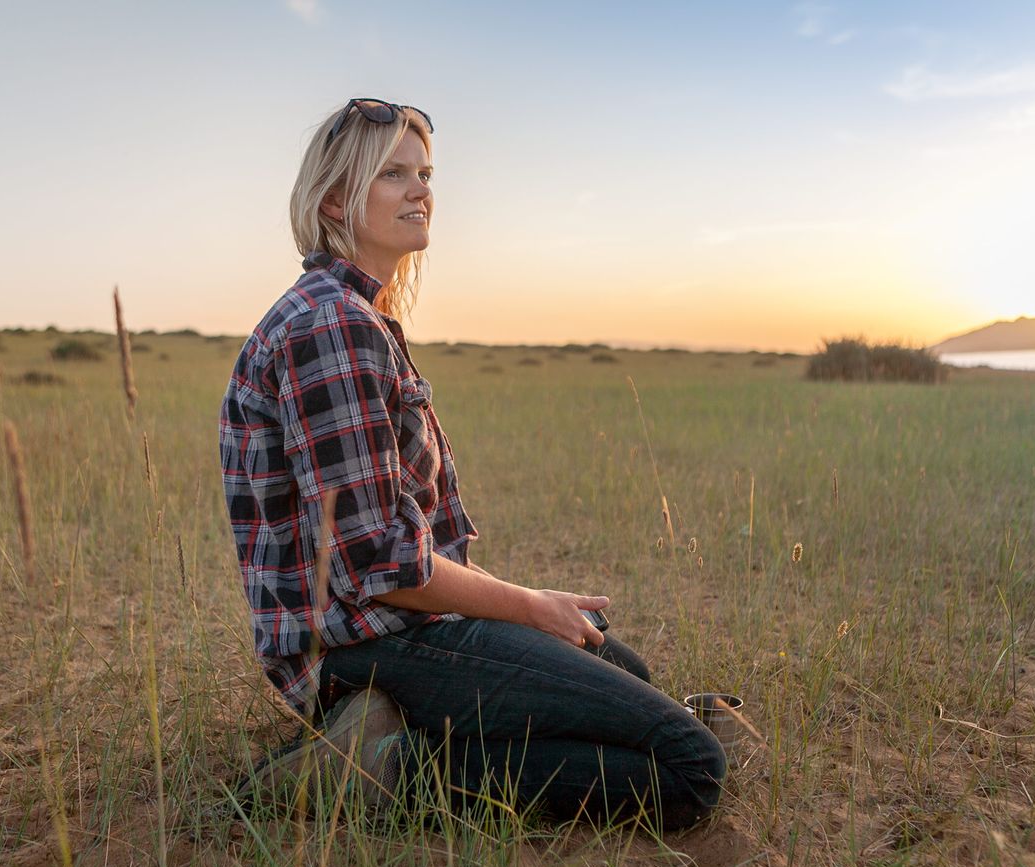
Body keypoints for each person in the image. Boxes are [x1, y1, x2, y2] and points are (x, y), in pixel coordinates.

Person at [219, 98, 725, 829]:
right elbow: (377, 568)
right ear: (335, 197)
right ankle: (375, 767)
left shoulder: (357, 316)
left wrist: (529, 607)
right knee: (690, 767)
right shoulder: (330, 326)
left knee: (624, 672)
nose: (421, 189)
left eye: (424, 172)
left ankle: (385, 727)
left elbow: (397, 544)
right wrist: (527, 606)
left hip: (396, 631)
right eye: (393, 174)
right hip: (360, 647)